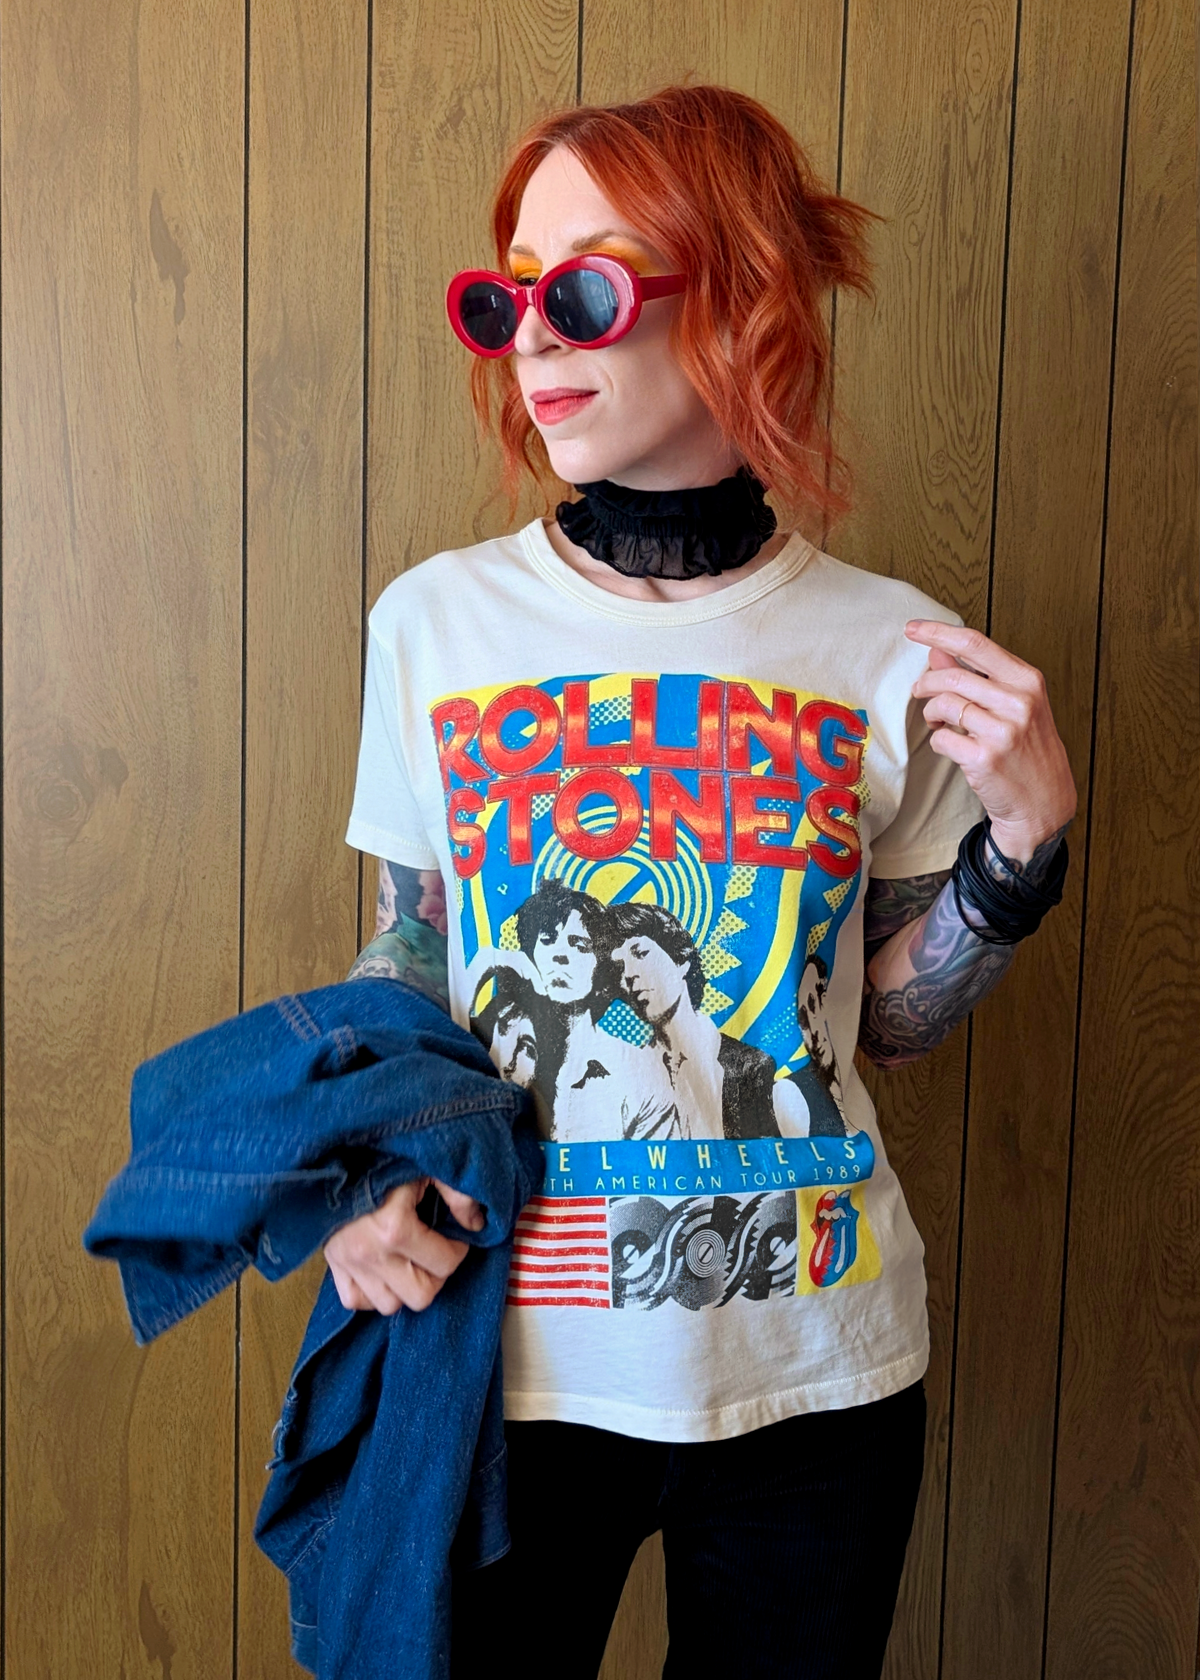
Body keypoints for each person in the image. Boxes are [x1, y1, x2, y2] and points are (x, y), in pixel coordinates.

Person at [326, 84, 1075, 1680]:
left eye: (582, 288)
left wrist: (1022, 856)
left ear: (739, 294)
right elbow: (406, 954)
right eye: (503, 299)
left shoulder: (894, 646)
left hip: (819, 1370)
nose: (531, 337)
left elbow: (894, 1020)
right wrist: (364, 1178)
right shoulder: (435, 627)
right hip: (507, 1369)